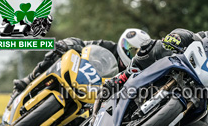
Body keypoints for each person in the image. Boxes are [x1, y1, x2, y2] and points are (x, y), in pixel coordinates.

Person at [13, 28, 151, 92]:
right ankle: (29, 79)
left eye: (136, 51)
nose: (131, 53)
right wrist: (68, 44)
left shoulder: (133, 72)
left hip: (93, 95)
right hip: (77, 74)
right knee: (58, 51)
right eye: (130, 48)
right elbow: (83, 43)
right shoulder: (108, 46)